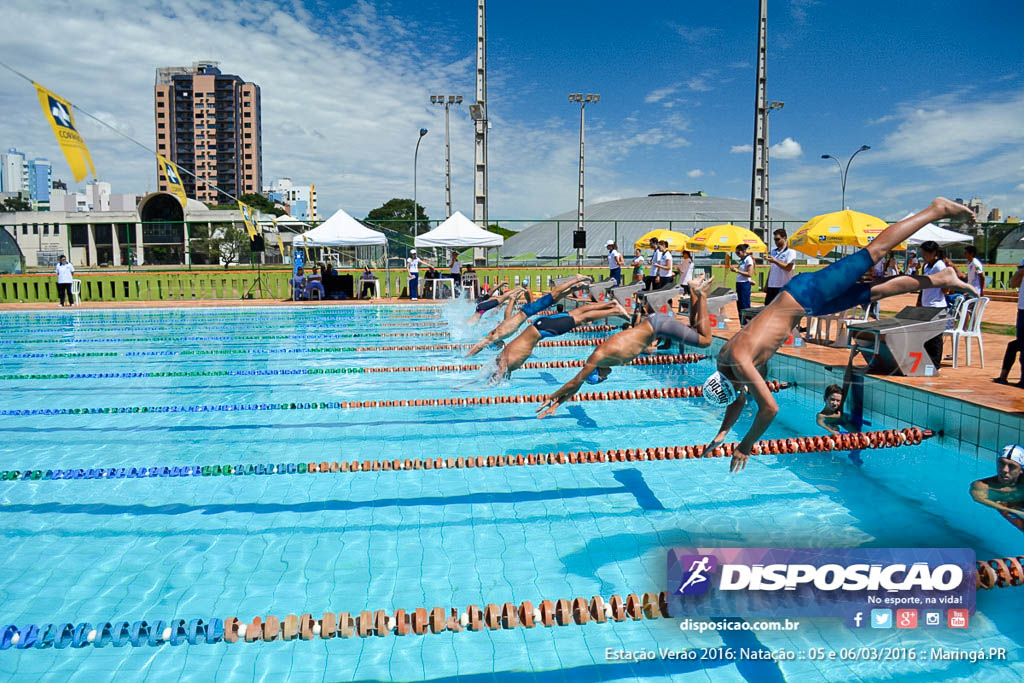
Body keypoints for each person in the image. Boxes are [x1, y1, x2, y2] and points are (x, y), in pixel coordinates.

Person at [700, 198, 977, 473]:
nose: (740, 396)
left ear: (732, 384)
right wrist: (724, 432)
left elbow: (769, 409)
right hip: (807, 303)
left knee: (875, 252)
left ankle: (935, 209)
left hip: (808, 291)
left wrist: (746, 444)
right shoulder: (725, 363)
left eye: (736, 393)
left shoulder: (738, 360)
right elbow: (735, 399)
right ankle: (941, 280)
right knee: (875, 292)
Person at [536, 275, 715, 417]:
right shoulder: (602, 359)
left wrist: (551, 398)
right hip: (657, 325)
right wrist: (558, 404)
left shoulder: (598, 357)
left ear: (597, 374)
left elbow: (575, 382)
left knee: (706, 340)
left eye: (602, 379)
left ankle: (702, 294)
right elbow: (578, 385)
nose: (606, 378)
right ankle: (693, 290)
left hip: (657, 325)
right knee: (696, 328)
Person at [490, 299, 629, 383]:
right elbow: (504, 374)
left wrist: (488, 385)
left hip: (544, 330)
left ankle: (615, 311)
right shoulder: (503, 357)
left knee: (581, 318)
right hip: (539, 324)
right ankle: (611, 304)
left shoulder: (504, 363)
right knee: (578, 313)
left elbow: (500, 375)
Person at [466, 275, 591, 357]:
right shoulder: (502, 331)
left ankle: (576, 278)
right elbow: (507, 316)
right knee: (555, 298)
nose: (500, 346)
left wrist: (467, 357)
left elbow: (479, 346)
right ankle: (576, 287)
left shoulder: (495, 335)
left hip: (528, 311)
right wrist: (512, 300)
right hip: (527, 311)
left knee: (554, 294)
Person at [970, 444, 1024, 533]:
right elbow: (978, 498)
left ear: (1021, 470)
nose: (1005, 470)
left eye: (1011, 466)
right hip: (1005, 505)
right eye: (1002, 463)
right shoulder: (982, 485)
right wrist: (1012, 511)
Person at [995, 259, 1024, 385]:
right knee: (1019, 345)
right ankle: (1006, 377)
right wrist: (1022, 271)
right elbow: (1013, 283)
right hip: (1022, 309)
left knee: (1018, 345)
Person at [763, 229, 796, 306]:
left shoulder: (790, 252)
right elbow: (772, 269)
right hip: (772, 285)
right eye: (774, 239)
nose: (776, 242)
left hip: (783, 285)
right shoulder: (773, 252)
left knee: (781, 309)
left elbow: (788, 268)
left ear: (784, 238)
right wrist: (767, 283)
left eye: (777, 239)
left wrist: (775, 261)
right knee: (768, 308)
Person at [731, 243, 754, 323]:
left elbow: (749, 273)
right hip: (739, 283)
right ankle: (742, 323)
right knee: (739, 305)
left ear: (744, 251)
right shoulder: (742, 260)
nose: (737, 255)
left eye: (738, 253)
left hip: (744, 284)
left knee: (745, 305)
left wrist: (737, 271)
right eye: (736, 253)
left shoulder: (748, 259)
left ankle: (748, 323)